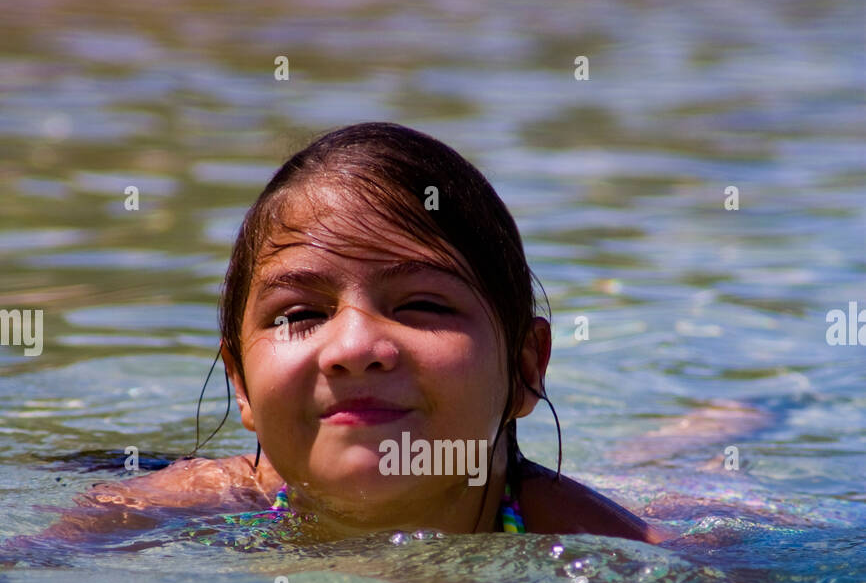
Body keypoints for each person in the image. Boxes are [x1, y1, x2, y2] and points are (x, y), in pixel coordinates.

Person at [12, 122, 692, 547]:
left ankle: (708, 427)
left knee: (657, 468)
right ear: (240, 385)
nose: (355, 348)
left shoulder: (612, 543)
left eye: (423, 304)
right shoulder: (183, 508)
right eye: (300, 314)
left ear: (525, 369)